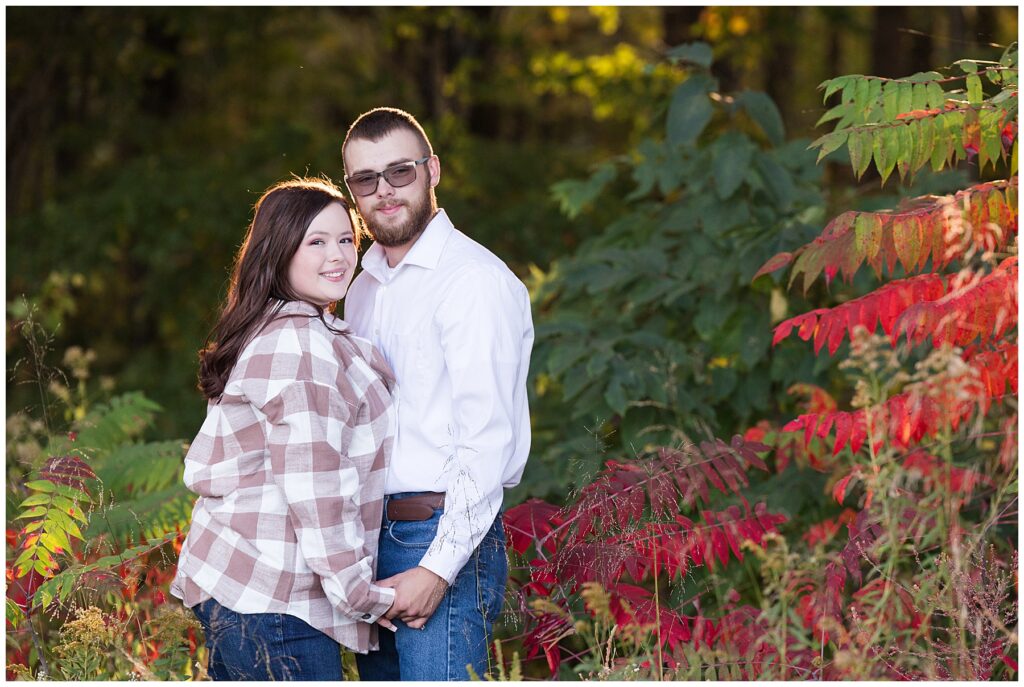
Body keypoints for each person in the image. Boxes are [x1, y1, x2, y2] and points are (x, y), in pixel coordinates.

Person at [170, 177, 399, 681]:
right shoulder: (299, 344)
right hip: (275, 601)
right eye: (315, 242)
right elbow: (315, 484)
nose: (337, 255)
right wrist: (362, 594)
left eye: (345, 239)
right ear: (279, 253)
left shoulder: (292, 331)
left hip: (249, 594)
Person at [341, 107, 534, 681]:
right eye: (365, 180)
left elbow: (488, 442)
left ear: (433, 171)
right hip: (369, 538)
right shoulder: (361, 288)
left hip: (440, 536)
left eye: (399, 172)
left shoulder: (473, 281)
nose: (384, 191)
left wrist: (438, 568)